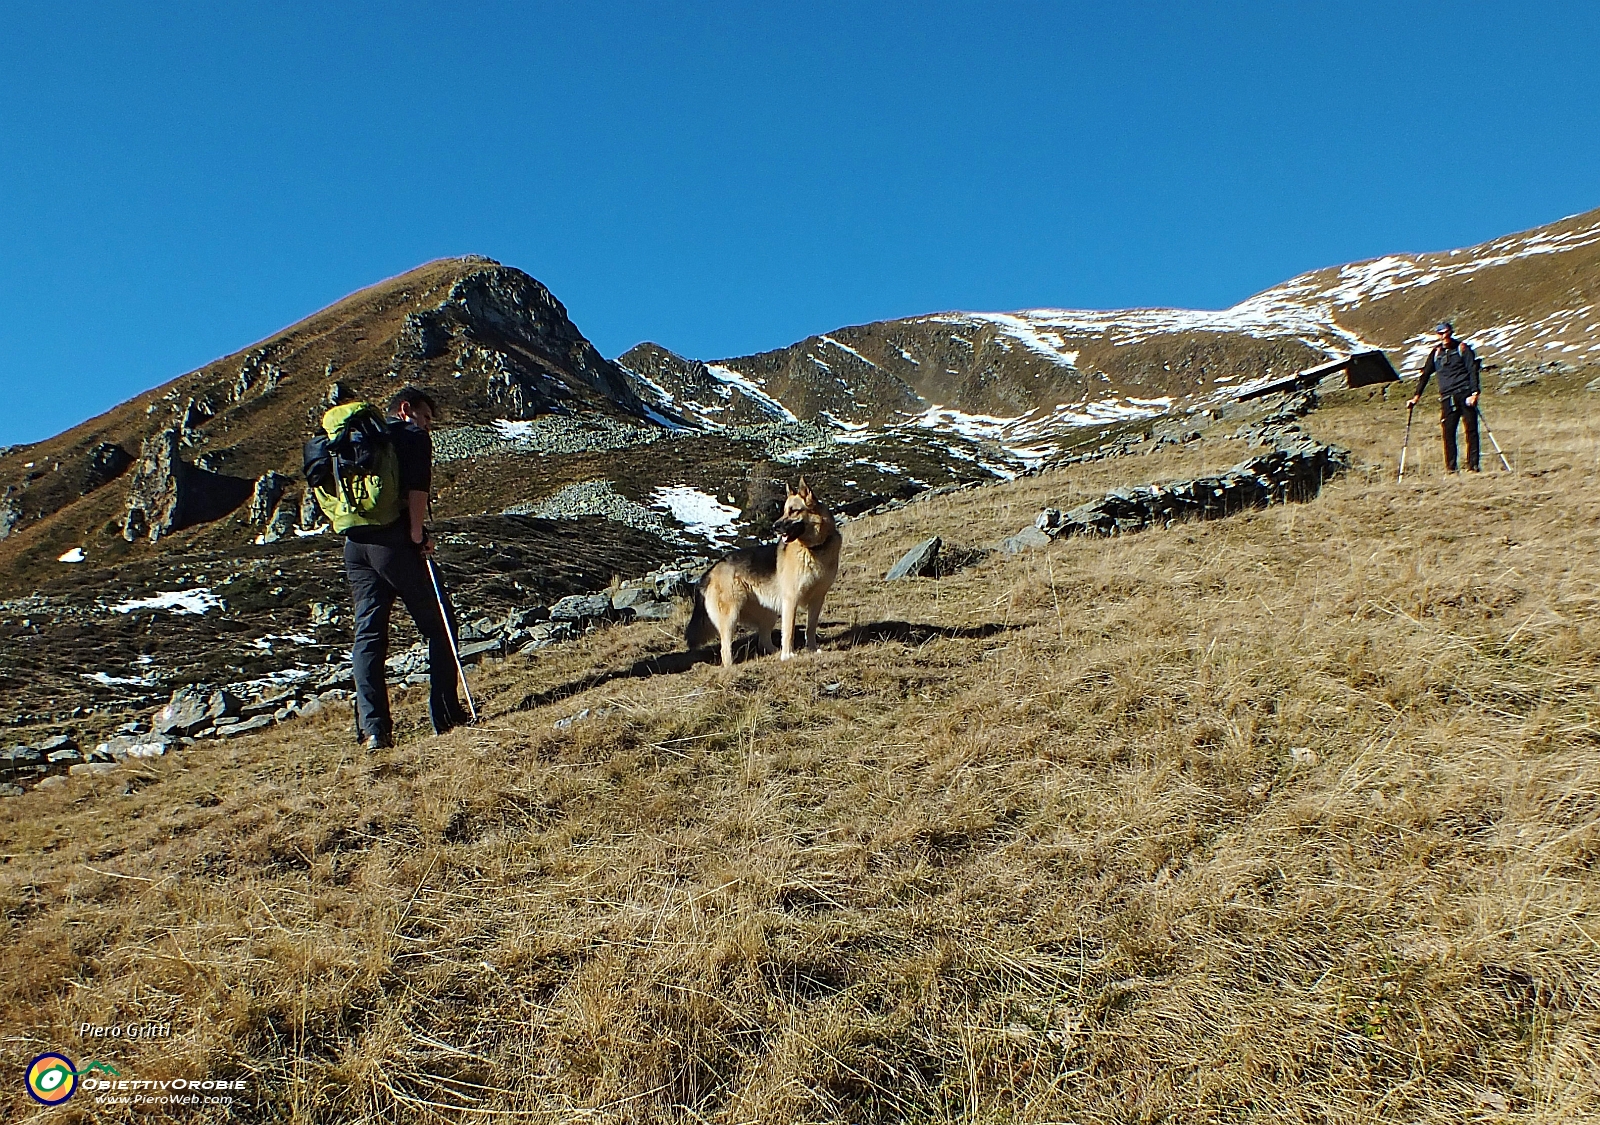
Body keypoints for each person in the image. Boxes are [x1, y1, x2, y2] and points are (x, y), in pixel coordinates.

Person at [343, 387, 470, 748]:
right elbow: (417, 492)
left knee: (369, 638)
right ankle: (445, 716)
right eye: (426, 416)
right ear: (406, 409)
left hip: (355, 547)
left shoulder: (361, 441)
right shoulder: (412, 437)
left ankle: (373, 731)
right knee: (440, 624)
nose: (429, 425)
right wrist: (417, 536)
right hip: (396, 545)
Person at [1408, 321, 1481, 472]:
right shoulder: (1436, 353)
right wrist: (1416, 397)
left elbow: (1472, 370)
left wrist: (1475, 393)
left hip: (1465, 393)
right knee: (1448, 432)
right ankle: (1451, 468)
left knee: (1471, 430)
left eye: (1446, 332)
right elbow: (1425, 375)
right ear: (1437, 335)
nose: (1444, 336)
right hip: (1447, 397)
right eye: (1441, 333)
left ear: (1451, 332)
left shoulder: (1462, 349)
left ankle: (1473, 466)